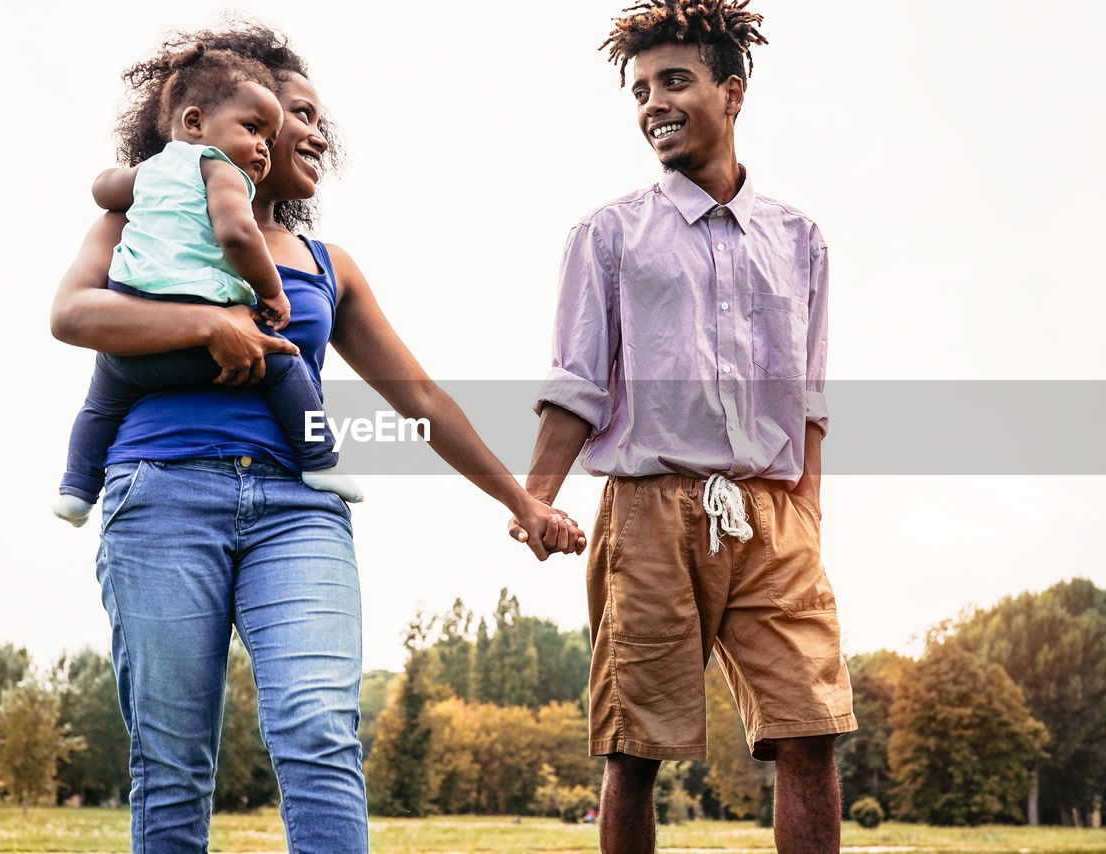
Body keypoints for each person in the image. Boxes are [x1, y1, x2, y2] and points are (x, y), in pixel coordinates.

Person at [50, 22, 585, 854]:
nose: (310, 133)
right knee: (172, 758)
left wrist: (524, 499)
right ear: (217, 117)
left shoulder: (326, 262)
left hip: (298, 507)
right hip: (158, 494)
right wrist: (207, 323)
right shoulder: (138, 217)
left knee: (318, 731)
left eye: (304, 118)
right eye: (292, 112)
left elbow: (419, 396)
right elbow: (73, 315)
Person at [510, 2, 855, 852]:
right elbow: (575, 385)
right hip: (649, 514)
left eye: (676, 81)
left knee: (810, 729)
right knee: (638, 748)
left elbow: (810, 398)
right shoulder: (608, 235)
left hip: (772, 518)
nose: (654, 104)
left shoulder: (800, 238)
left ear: (732, 92)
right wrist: (534, 496)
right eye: (640, 90)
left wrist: (805, 510)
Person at [53, 45, 359, 528]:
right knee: (281, 361)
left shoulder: (147, 184)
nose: (263, 144)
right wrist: (265, 297)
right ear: (196, 122)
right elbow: (238, 235)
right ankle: (321, 460)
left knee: (100, 403)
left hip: (132, 363)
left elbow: (103, 188)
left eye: (269, 134)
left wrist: (117, 182)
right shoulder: (221, 171)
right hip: (161, 475)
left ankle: (75, 488)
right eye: (256, 128)